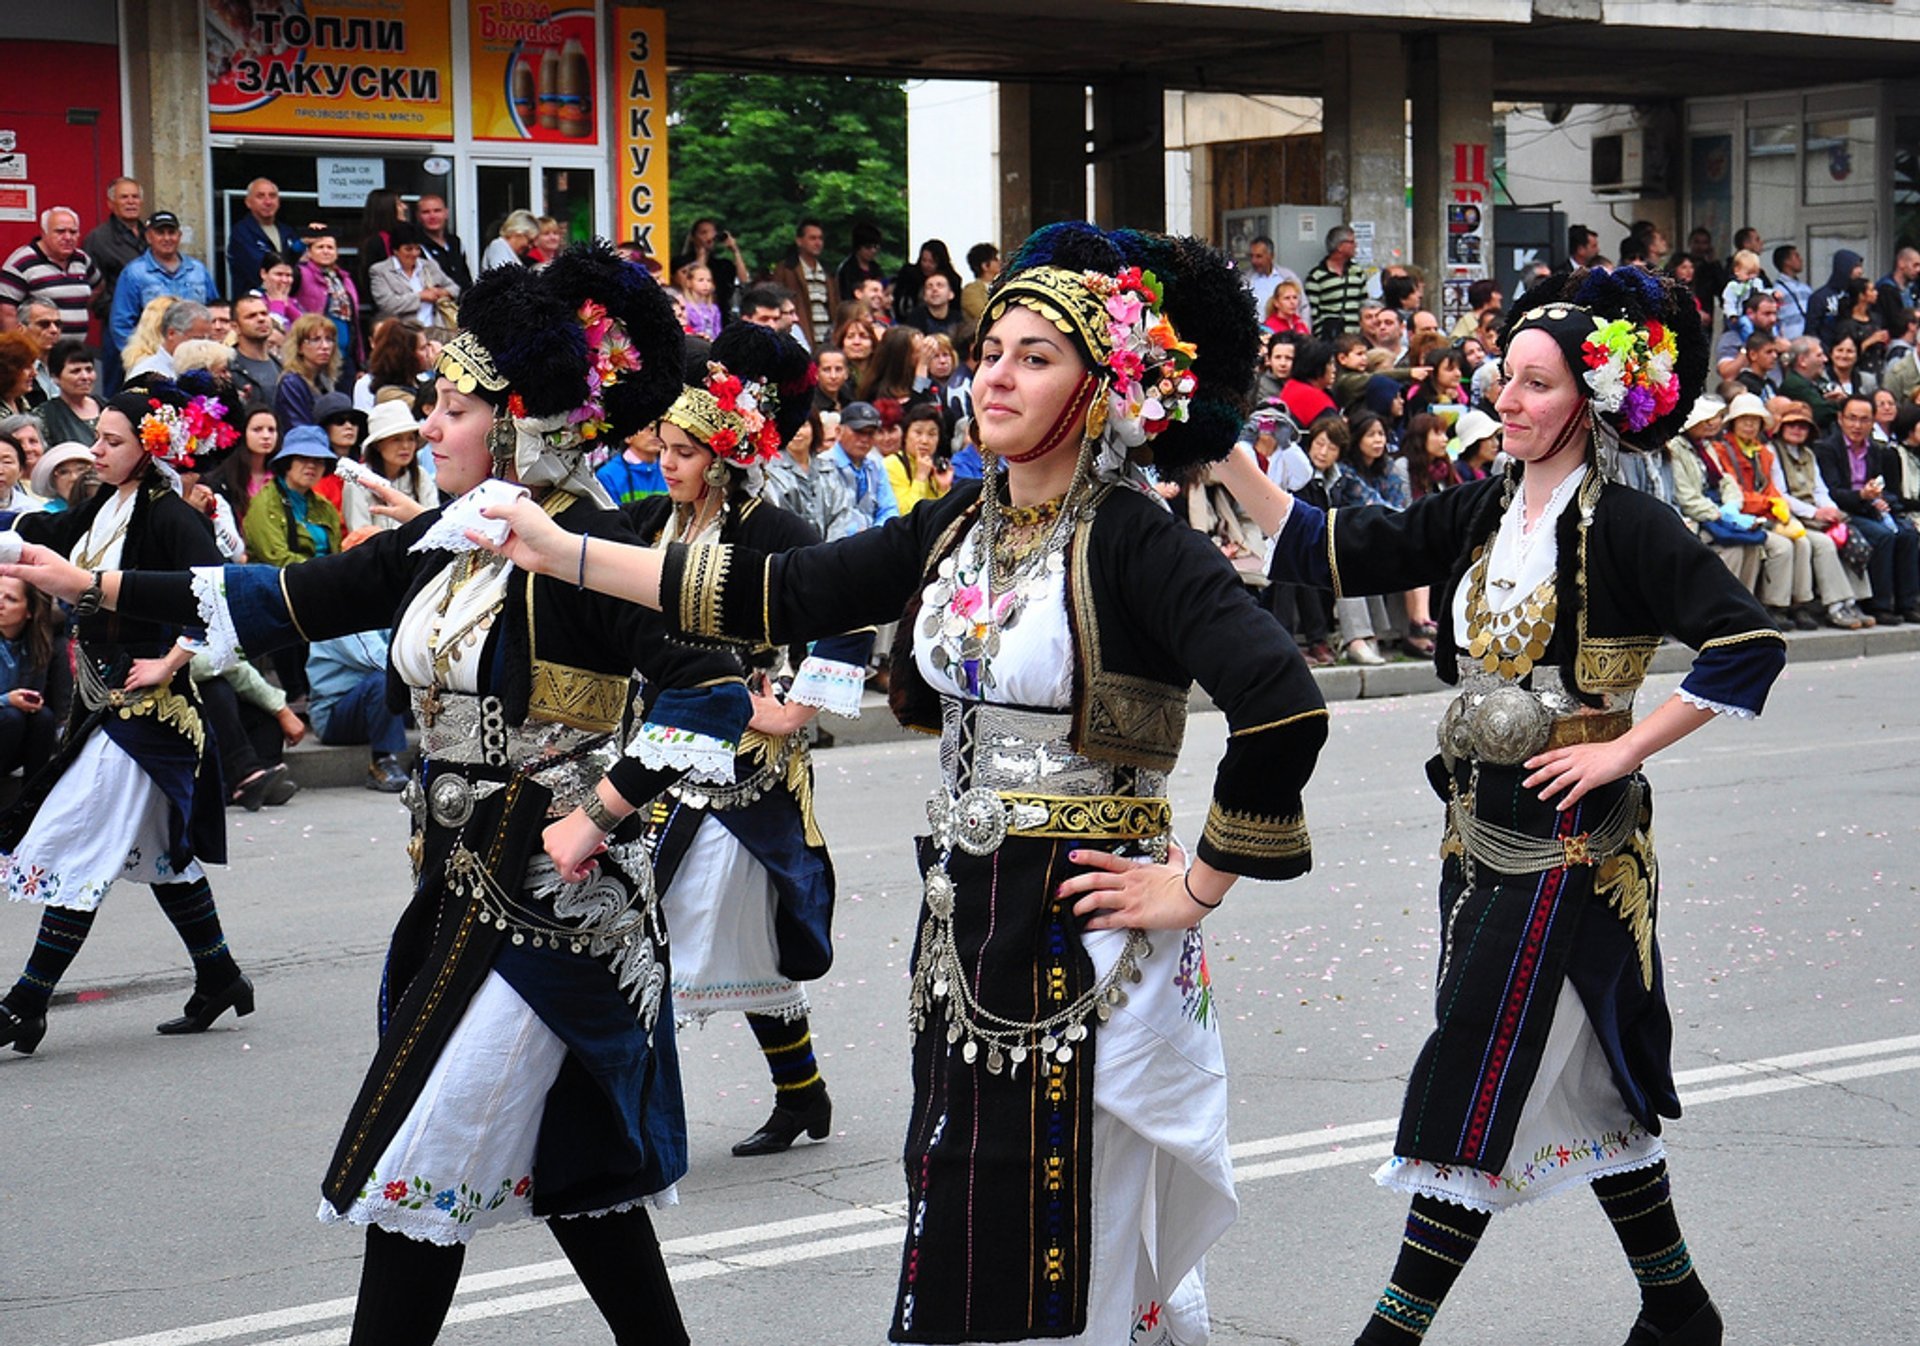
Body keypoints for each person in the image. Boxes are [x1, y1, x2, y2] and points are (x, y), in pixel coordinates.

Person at [482, 221, 1331, 1346]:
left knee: (1078, 1218)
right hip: (967, 919)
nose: (997, 372)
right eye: (992, 350)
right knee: (963, 1195)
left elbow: (1282, 700)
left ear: (1100, 383)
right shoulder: (953, 530)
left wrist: (1200, 884)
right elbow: (773, 588)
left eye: (1036, 354)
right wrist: (564, 550)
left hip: (1086, 927)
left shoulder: (1134, 538)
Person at [0, 241, 753, 1343]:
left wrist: (599, 812)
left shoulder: (581, 539)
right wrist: (94, 582)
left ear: (514, 420)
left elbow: (715, 688)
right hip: (460, 882)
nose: (428, 426)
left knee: (424, 1154)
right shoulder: (453, 537)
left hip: (554, 906)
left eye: (449, 406)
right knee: (576, 1178)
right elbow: (293, 595)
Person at [1223, 264, 1789, 1346]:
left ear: (1590, 399)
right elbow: (1339, 548)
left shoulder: (1628, 523)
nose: (1509, 402)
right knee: (1570, 1071)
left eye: (1534, 385)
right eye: (1504, 380)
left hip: (1579, 844)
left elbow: (1746, 641)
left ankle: (1389, 1334)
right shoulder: (1485, 504)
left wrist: (1623, 743)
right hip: (1477, 832)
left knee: (1479, 1067)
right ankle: (1679, 1306)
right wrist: (1223, 453)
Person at [623, 322, 872, 1157]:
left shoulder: (776, 536)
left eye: (686, 452)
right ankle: (803, 1096)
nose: (668, 463)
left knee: (675, 927)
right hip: (658, 751)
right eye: (664, 446)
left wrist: (795, 709)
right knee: (726, 932)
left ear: (723, 460)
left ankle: (635, 1119)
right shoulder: (652, 521)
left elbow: (845, 617)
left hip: (743, 769)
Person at [0, 381, 250, 1057]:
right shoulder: (105, 501)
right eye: (97, 438)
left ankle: (24, 1003)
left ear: (151, 448)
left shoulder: (173, 517)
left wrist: (171, 660)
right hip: (100, 701)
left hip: (151, 714)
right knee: (165, 856)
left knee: (85, 843)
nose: (97, 451)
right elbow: (43, 537)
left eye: (112, 441)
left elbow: (219, 600)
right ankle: (220, 975)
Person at [1817, 392, 1920, 624]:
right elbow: (1832, 491)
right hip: (1845, 510)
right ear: (1840, 419)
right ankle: (1879, 604)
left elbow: (1884, 486)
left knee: (1908, 534)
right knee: (1882, 536)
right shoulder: (1827, 448)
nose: (1857, 425)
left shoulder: (1874, 449)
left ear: (1873, 422)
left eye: (1864, 420)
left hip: (1870, 507)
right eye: (1852, 418)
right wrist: (1862, 495)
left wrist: (1881, 499)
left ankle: (1907, 603)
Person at [307, 627, 410, 792]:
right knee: (385, 681)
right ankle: (382, 761)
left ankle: (425, 755)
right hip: (333, 715)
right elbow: (379, 658)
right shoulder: (345, 613)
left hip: (366, 707)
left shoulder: (379, 611)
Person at [109, 213, 218, 354]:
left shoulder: (198, 270)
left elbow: (215, 312)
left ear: (179, 236)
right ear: (149, 237)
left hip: (196, 354)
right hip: (153, 356)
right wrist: (138, 359)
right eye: (160, 233)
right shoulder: (134, 273)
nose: (167, 238)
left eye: (171, 233)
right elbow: (121, 324)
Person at [0, 574, 70, 783]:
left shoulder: (36, 645)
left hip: (12, 739)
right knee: (10, 717)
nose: (0, 604)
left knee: (43, 718)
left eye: (10, 599)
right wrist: (6, 700)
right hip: (7, 723)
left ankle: (30, 801)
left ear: (29, 612)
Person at [243, 424, 342, 569]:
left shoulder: (326, 507)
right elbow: (276, 558)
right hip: (281, 584)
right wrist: (325, 574)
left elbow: (337, 553)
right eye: (303, 458)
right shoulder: (264, 503)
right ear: (287, 462)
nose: (311, 466)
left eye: (319, 460)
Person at [0, 207, 99, 342]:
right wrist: (18, 351)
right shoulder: (21, 262)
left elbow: (98, 286)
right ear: (44, 233)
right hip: (36, 354)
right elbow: (7, 312)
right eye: (60, 231)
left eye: (73, 232)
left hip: (74, 352)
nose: (68, 237)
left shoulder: (82, 259)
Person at [762, 405, 856, 540]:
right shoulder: (770, 472)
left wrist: (829, 551)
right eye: (790, 426)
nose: (797, 433)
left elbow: (842, 513)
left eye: (803, 426)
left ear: (814, 429)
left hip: (830, 553)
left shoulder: (828, 469)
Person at [343, 399, 437, 533]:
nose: (405, 446)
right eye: (396, 439)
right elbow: (360, 532)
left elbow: (433, 524)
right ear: (378, 445)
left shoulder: (421, 476)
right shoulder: (358, 480)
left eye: (410, 439)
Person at [294, 226, 364, 381]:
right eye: (320, 247)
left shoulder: (345, 279)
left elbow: (354, 323)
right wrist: (301, 243)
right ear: (309, 252)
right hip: (315, 357)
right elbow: (284, 263)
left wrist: (360, 363)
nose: (326, 251)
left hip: (345, 358)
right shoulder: (301, 274)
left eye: (330, 247)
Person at [821, 400, 897, 534]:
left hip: (874, 541)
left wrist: (876, 534)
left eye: (870, 433)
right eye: (859, 432)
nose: (864, 439)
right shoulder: (823, 465)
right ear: (838, 431)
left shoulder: (876, 464)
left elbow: (889, 509)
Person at [227, 179, 305, 301]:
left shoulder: (287, 231)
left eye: (272, 196)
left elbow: (303, 269)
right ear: (248, 202)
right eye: (260, 196)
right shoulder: (242, 232)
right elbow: (261, 269)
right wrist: (296, 257)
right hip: (253, 306)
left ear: (278, 202)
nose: (268, 202)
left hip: (287, 302)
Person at [370, 222, 460, 327]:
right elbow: (388, 304)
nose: (414, 253)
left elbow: (455, 288)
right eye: (408, 249)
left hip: (434, 330)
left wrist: (441, 292)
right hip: (403, 332)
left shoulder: (429, 266)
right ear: (395, 250)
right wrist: (420, 296)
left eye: (417, 248)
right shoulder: (381, 271)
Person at [771, 218, 840, 349]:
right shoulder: (787, 269)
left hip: (827, 339)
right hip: (801, 337)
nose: (818, 242)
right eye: (812, 238)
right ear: (799, 241)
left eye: (820, 238)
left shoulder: (827, 272)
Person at [275, 313, 341, 430]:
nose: (325, 346)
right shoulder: (291, 383)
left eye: (329, 339)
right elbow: (299, 428)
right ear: (299, 347)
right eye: (315, 340)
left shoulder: (324, 380)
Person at [33, 340, 100, 449]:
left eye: (89, 369)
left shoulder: (108, 407)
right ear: (55, 377)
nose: (85, 377)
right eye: (75, 371)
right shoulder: (44, 416)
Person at [1306, 224, 1370, 338]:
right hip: (1329, 338)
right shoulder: (1316, 276)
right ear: (1340, 246)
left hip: (1355, 337)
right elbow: (1312, 312)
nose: (1355, 245)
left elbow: (1364, 304)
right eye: (1352, 242)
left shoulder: (1357, 272)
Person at [29, 440, 93, 515]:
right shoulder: (47, 516)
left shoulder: (106, 506)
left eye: (81, 469)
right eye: (63, 472)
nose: (74, 478)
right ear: (53, 481)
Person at [837, 221, 887, 299]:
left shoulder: (876, 268)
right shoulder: (847, 269)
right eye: (868, 247)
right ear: (858, 247)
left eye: (876, 247)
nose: (873, 250)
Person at [481, 209, 540, 273]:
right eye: (529, 241)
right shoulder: (498, 247)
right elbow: (506, 277)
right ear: (517, 232)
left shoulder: (508, 251)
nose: (530, 247)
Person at [959, 241, 1000, 323]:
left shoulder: (1005, 285)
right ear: (985, 265)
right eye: (995, 259)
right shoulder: (971, 291)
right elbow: (984, 315)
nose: (999, 262)